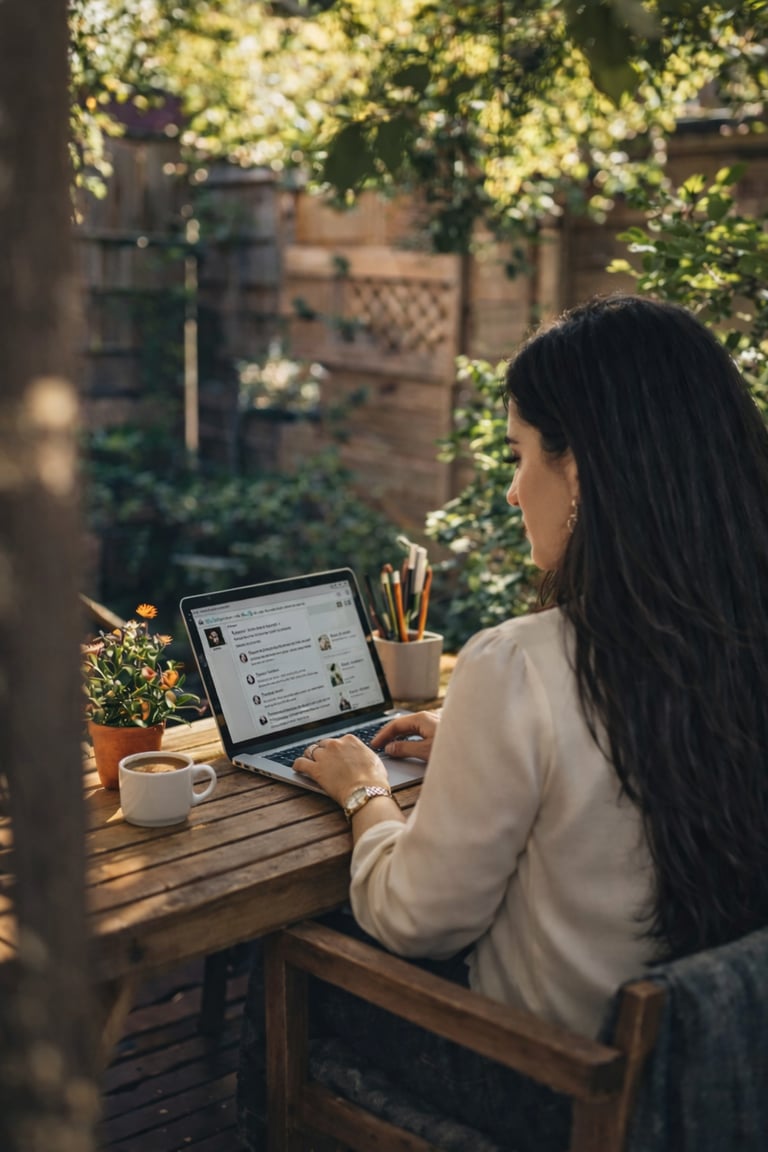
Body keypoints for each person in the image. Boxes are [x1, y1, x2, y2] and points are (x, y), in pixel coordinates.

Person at [238, 295, 768, 1147]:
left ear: (586, 470)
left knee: (290, 949)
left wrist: (363, 793)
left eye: (520, 455)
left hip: (553, 1083)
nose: (516, 489)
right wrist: (477, 747)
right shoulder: (730, 643)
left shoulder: (523, 662)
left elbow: (415, 919)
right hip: (711, 1080)